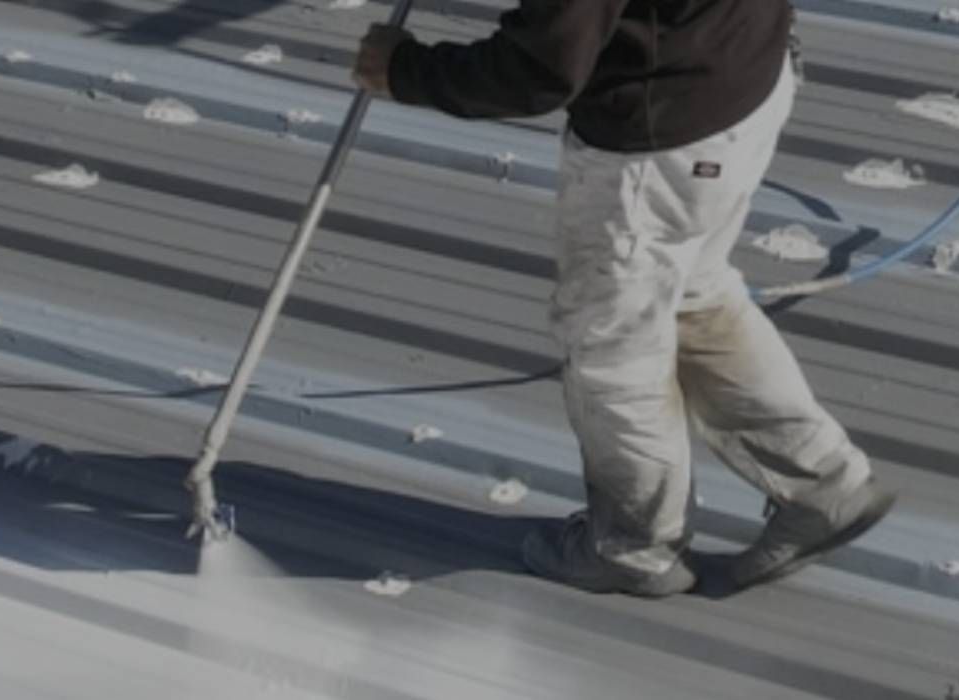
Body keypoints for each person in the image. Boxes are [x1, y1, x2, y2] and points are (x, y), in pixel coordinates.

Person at [352, 0, 894, 597]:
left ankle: (632, 545)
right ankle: (822, 482)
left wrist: (407, 71)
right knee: (695, 294)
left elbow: (541, 68)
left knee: (613, 344)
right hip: (742, 82)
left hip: (660, 139)